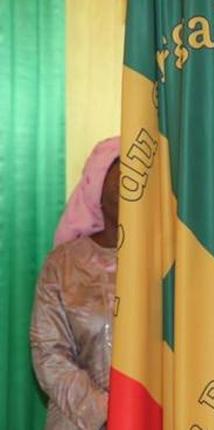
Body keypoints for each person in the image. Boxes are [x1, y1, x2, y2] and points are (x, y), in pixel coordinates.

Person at [30, 137, 121, 430]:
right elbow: (49, 354)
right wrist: (109, 414)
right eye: (122, 171)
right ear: (97, 182)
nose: (133, 183)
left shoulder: (163, 264)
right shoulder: (63, 265)